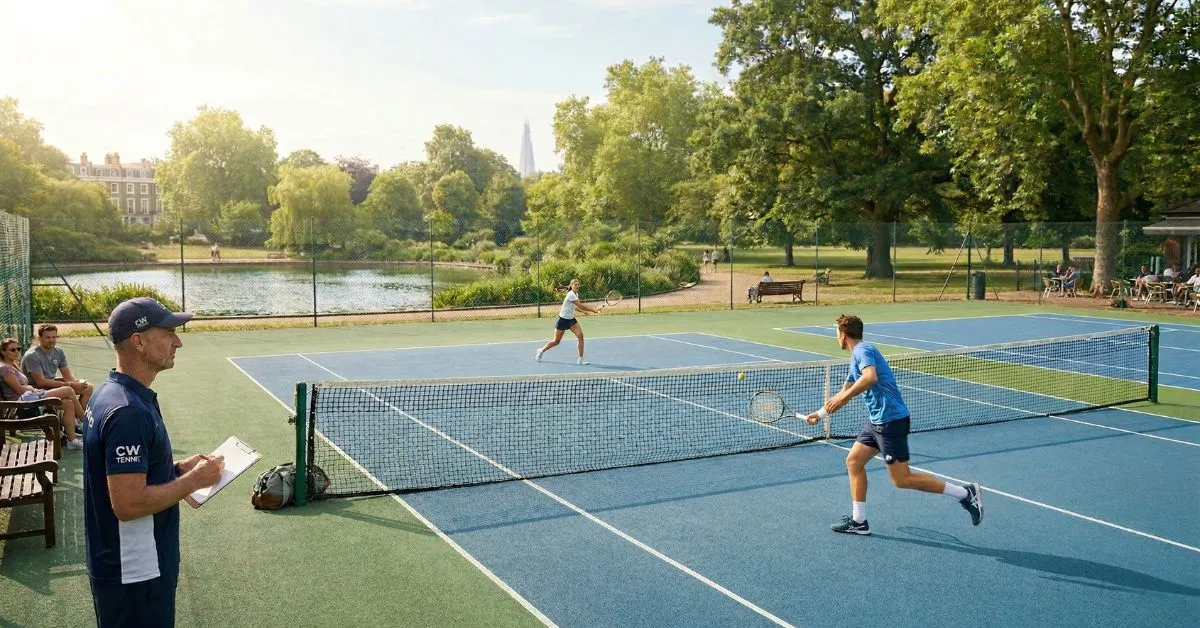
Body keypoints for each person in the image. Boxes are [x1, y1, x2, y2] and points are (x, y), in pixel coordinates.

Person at [84, 297, 224, 627]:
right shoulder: (128, 412)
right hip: (136, 574)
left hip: (128, 568)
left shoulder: (111, 392)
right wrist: (193, 481)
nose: (178, 342)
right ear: (139, 341)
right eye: (169, 333)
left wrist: (175, 470)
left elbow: (120, 476)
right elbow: (128, 504)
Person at [805, 315, 983, 535]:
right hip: (876, 422)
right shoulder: (856, 357)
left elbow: (870, 378)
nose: (836, 337)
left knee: (902, 479)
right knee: (854, 462)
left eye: (836, 333)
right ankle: (859, 521)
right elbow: (845, 391)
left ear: (843, 334)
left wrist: (843, 397)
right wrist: (820, 414)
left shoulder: (863, 350)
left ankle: (965, 494)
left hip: (891, 421)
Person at [1, 337, 85, 449]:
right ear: (3, 352)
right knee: (68, 390)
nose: (17, 352)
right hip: (22, 405)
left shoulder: (12, 365)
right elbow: (18, 389)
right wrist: (31, 388)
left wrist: (30, 388)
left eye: (18, 349)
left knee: (68, 403)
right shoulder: (5, 369)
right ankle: (86, 423)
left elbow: (22, 387)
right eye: (12, 350)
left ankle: (72, 441)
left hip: (29, 397)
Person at [23, 324, 94, 412]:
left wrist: (76, 384)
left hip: (53, 385)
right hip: (38, 389)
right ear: (40, 338)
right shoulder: (32, 355)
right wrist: (69, 385)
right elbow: (41, 381)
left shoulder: (58, 351)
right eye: (48, 337)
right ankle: (80, 417)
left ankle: (79, 417)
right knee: (68, 400)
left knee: (88, 388)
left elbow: (67, 376)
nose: (51, 340)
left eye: (54, 337)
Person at [535, 278, 599, 365]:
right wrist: (593, 310)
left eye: (578, 284)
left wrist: (584, 312)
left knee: (580, 336)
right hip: (562, 320)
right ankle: (541, 350)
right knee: (556, 341)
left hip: (571, 320)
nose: (577, 286)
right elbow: (581, 306)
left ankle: (580, 359)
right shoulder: (571, 294)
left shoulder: (576, 294)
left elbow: (575, 307)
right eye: (575, 284)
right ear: (571, 286)